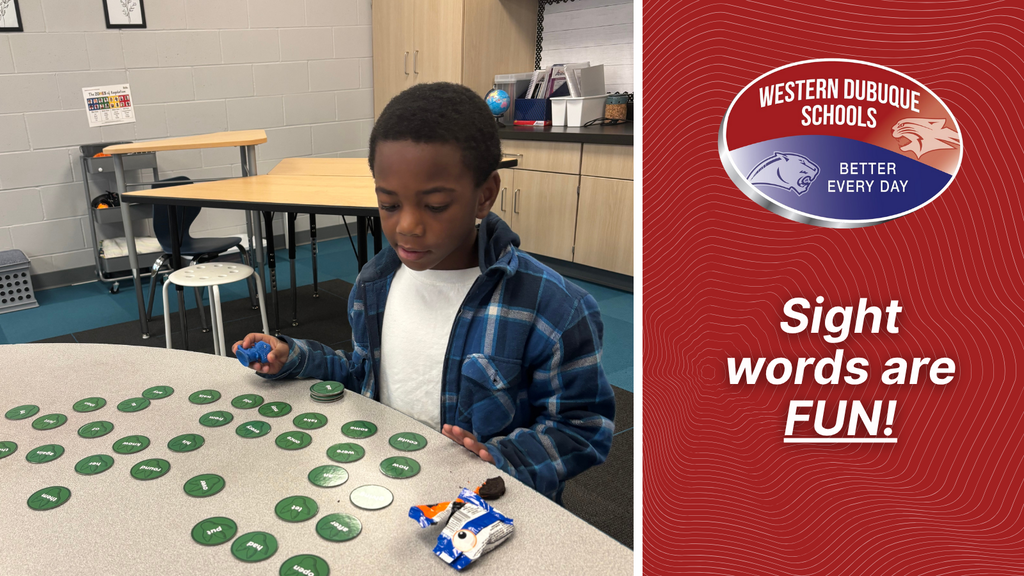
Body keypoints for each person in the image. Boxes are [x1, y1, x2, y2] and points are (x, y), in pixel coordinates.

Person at [233, 82, 615, 502]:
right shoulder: (374, 283)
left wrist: (502, 459)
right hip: (390, 489)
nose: (408, 226)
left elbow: (582, 428)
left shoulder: (556, 308)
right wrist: (296, 356)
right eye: (389, 205)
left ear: (485, 195)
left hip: (487, 511)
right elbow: (364, 374)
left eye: (434, 206)